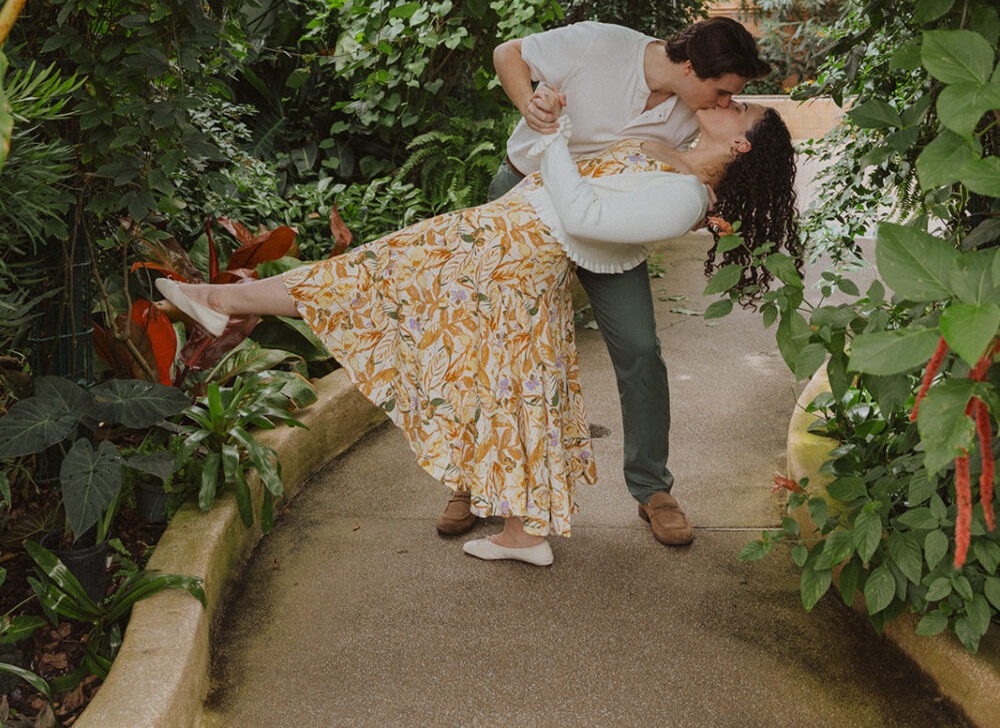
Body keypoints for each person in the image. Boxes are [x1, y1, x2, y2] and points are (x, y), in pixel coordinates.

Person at [157, 98, 798, 569]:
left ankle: (214, 299)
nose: (726, 102)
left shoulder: (685, 198)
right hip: (503, 237)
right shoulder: (667, 154)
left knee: (368, 277)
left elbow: (580, 210)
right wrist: (552, 121)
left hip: (512, 251)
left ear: (742, 146)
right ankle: (524, 532)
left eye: (739, 110)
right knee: (509, 381)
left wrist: (558, 138)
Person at [437, 16, 771, 548]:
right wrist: (530, 104)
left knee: (640, 346)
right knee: (496, 342)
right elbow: (508, 52)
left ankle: (652, 488)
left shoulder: (697, 110)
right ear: (690, 67)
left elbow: (715, 164)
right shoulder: (601, 44)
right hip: (527, 195)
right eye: (723, 89)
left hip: (604, 221)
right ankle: (471, 480)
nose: (725, 102)